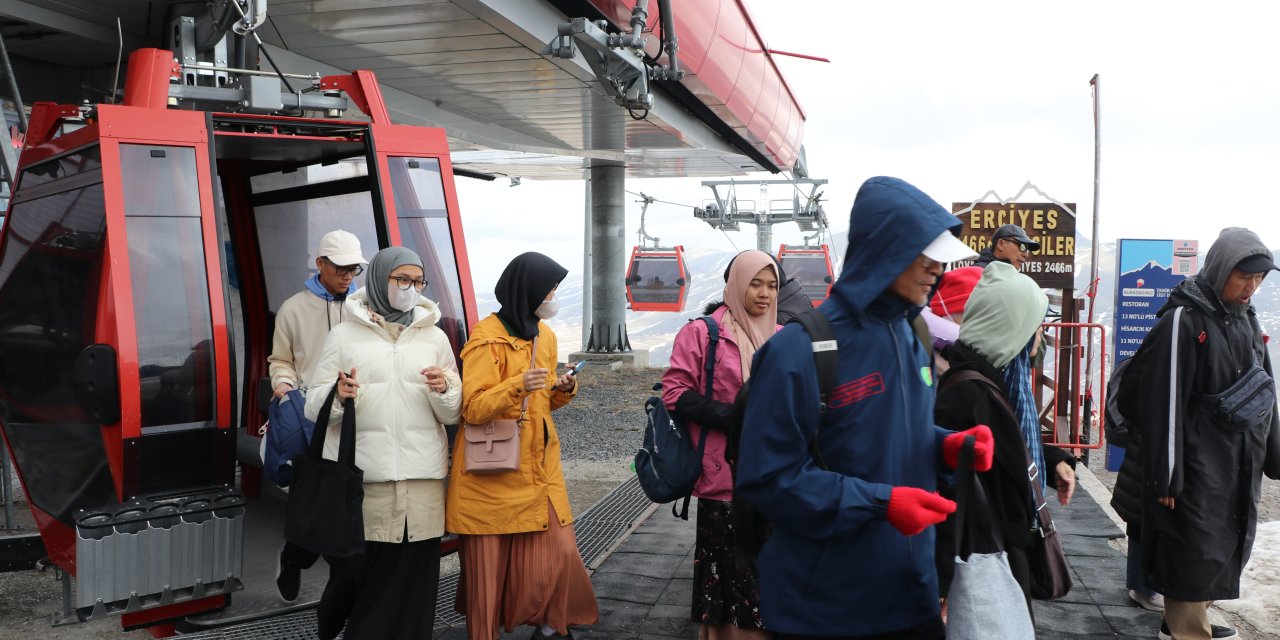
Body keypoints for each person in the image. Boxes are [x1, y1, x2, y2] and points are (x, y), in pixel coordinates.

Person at [734, 176, 995, 640]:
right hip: (826, 609)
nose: (938, 268)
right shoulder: (800, 349)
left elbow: (892, 436)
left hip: (911, 593)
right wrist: (880, 503)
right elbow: (767, 478)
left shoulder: (911, 333)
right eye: (926, 253)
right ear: (885, 250)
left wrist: (949, 447)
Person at [304, 246, 462, 639]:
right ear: (379, 278)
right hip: (363, 483)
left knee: (416, 588)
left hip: (421, 483)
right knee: (364, 582)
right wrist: (338, 395)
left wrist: (444, 389)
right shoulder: (344, 334)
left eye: (417, 282)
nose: (410, 288)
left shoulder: (436, 337)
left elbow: (454, 411)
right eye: (401, 280)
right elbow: (313, 405)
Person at [1137, 228, 1280, 640]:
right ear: (1221, 269)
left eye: (1259, 278)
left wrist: (1273, 452)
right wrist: (1166, 475)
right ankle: (1187, 631)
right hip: (1198, 460)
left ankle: (1180, 623)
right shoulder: (1184, 319)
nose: (1251, 287)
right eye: (1244, 276)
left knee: (1221, 543)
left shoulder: (1245, 319)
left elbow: (1264, 386)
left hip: (1236, 458)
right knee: (1192, 546)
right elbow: (1164, 401)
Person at [446, 252, 598, 640]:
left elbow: (543, 399)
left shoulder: (543, 335)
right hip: (490, 473)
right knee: (487, 574)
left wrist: (565, 387)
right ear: (526, 291)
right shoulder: (486, 338)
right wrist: (516, 385)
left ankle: (549, 625)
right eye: (548, 290)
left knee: (558, 553)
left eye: (555, 290)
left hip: (538, 467)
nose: (552, 297)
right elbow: (473, 407)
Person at [933, 261, 1076, 612]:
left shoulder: (992, 381)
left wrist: (1054, 459)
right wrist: (942, 582)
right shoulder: (969, 394)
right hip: (987, 560)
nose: (1039, 338)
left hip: (1001, 551)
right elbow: (947, 491)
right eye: (1034, 328)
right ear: (1011, 332)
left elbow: (1004, 441)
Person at [663, 249, 780, 639]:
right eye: (755, 283)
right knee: (728, 576)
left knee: (764, 576)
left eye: (772, 285)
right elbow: (674, 392)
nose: (764, 293)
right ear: (735, 285)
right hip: (723, 477)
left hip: (771, 475)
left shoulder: (781, 338)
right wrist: (728, 416)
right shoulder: (702, 333)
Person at [266, 228, 368, 603]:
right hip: (309, 413)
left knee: (345, 498)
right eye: (341, 268)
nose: (349, 277)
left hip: (356, 411)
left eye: (355, 269)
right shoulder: (294, 308)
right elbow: (281, 358)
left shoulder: (364, 305)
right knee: (315, 495)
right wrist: (284, 384)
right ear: (320, 263)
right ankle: (294, 557)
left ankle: (332, 579)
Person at [972, 223, 1039, 271]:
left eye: (1027, 249)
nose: (1026, 254)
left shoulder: (1013, 277)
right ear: (1001, 244)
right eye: (1022, 246)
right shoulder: (977, 274)